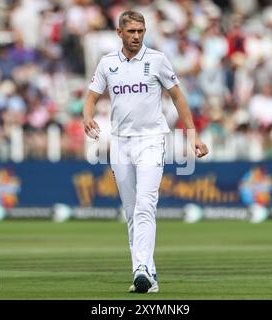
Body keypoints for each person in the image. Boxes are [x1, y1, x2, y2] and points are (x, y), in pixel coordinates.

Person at [82, 10, 208, 294]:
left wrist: (192, 135)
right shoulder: (107, 64)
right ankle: (146, 272)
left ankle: (140, 269)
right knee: (130, 211)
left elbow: (178, 97)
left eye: (140, 31)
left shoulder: (157, 60)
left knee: (145, 205)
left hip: (152, 139)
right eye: (131, 32)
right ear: (119, 33)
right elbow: (91, 97)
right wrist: (87, 117)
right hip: (120, 143)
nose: (137, 36)